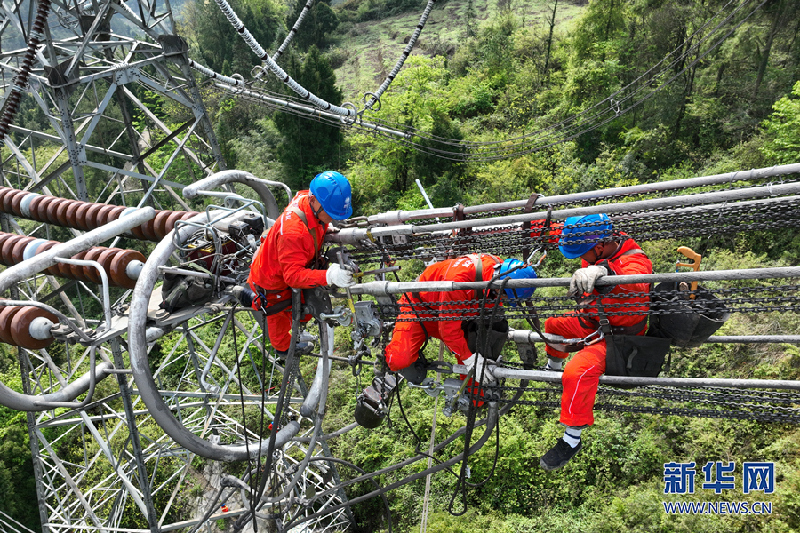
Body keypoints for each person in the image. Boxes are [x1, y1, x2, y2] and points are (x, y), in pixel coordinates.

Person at [354, 254, 538, 428]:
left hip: (460, 314)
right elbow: (447, 329)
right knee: (398, 359)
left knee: (478, 388)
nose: (504, 300)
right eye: (504, 296)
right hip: (420, 309)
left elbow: (467, 316)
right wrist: (469, 358)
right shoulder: (461, 280)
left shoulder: (500, 272)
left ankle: (473, 402)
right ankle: (390, 355)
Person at [539, 213, 652, 471]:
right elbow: (563, 234)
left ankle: (571, 439)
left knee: (577, 371)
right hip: (591, 320)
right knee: (552, 327)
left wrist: (607, 274)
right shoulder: (597, 249)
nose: (582, 259)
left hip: (615, 337)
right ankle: (552, 370)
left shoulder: (635, 261)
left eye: (584, 254)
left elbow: (637, 283)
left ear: (599, 247)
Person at [240, 171, 357, 358]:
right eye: (330, 213)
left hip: (288, 261)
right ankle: (285, 349)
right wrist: (329, 276)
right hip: (271, 281)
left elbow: (314, 220)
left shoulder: (308, 200)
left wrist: (325, 227)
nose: (333, 218)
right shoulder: (293, 232)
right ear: (314, 201)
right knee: (277, 314)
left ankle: (298, 331)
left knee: (303, 306)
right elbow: (293, 277)